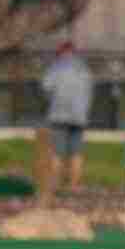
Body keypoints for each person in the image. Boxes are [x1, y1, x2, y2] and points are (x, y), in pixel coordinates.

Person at [42, 40, 95, 190]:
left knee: (57, 152)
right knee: (77, 152)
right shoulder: (84, 69)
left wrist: (51, 100)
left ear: (61, 53)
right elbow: (89, 92)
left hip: (59, 115)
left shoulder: (56, 68)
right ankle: (74, 185)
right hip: (79, 116)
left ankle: (55, 184)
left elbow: (46, 87)